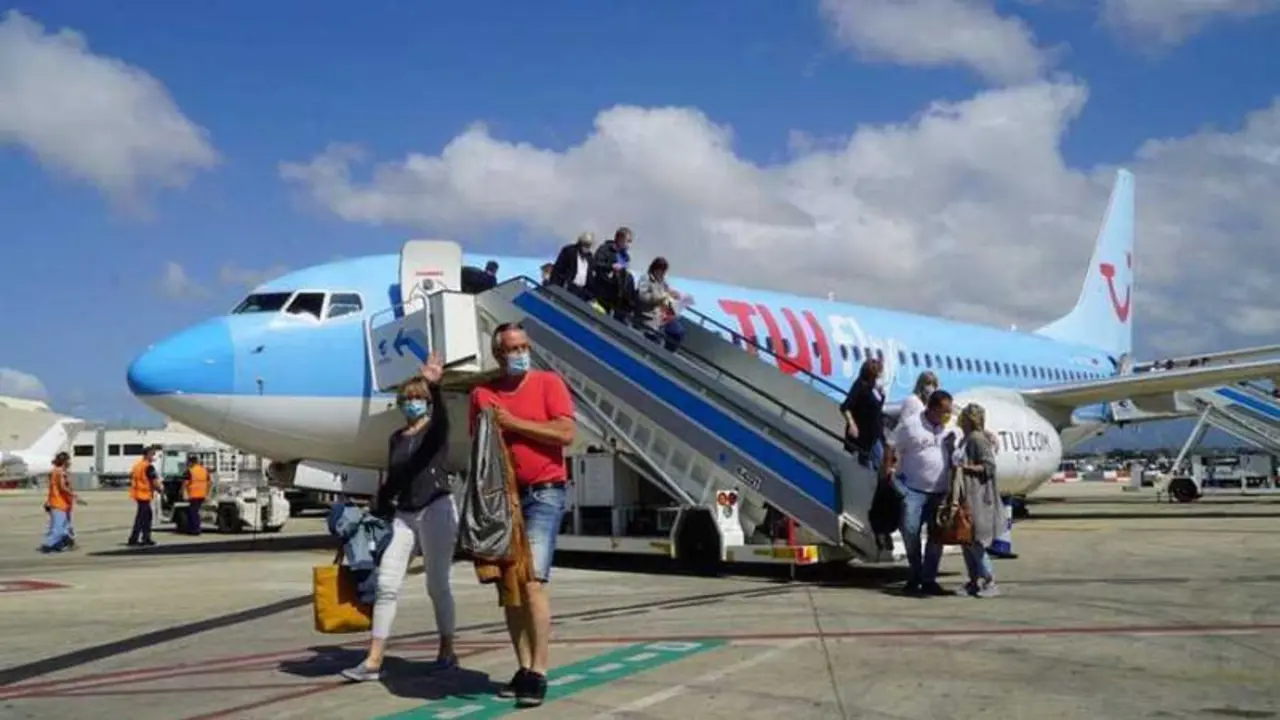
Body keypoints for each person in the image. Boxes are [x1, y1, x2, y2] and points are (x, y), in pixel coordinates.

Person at [469, 323, 575, 708]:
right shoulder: (483, 394)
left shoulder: (549, 383)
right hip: (503, 499)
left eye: (524, 347)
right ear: (498, 354)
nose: (520, 354)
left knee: (531, 582)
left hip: (544, 492)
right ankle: (524, 665)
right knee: (509, 587)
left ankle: (540, 671)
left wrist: (514, 424)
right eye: (512, 348)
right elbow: (480, 447)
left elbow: (565, 433)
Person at [343, 353, 460, 683]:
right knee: (386, 584)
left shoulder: (434, 432)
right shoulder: (397, 438)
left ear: (427, 402)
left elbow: (442, 422)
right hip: (405, 514)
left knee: (437, 584)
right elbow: (395, 477)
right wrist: (377, 504)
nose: (412, 404)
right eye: (406, 399)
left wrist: (436, 387)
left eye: (418, 398)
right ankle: (374, 659)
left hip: (436, 508)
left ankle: (447, 650)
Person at [887, 389, 958, 596]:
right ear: (932, 409)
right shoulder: (910, 425)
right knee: (910, 530)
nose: (947, 415)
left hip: (940, 491)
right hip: (913, 490)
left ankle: (928, 579)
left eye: (949, 411)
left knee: (936, 536)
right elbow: (891, 445)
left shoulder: (949, 427)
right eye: (944, 411)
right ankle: (915, 571)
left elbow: (966, 437)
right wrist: (887, 471)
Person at [954, 403, 1003, 598]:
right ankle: (973, 580)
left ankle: (989, 580)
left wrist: (966, 468)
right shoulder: (965, 439)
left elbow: (989, 466)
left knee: (974, 541)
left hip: (977, 496)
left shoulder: (976, 439)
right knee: (966, 539)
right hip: (964, 494)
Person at [840, 358, 886, 472]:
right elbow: (845, 407)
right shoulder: (860, 386)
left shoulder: (875, 388)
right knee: (867, 467)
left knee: (879, 464)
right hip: (862, 436)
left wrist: (881, 395)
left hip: (875, 435)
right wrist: (852, 424)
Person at [634, 257, 686, 351]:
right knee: (655, 337)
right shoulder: (645, 279)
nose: (663, 274)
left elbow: (667, 291)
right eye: (661, 271)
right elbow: (642, 297)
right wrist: (662, 297)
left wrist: (673, 294)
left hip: (662, 314)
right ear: (655, 269)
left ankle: (669, 352)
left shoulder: (662, 281)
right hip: (648, 314)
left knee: (678, 332)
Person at [590, 226, 634, 320]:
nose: (629, 245)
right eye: (628, 241)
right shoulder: (605, 249)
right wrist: (611, 266)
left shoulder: (626, 257)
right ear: (620, 239)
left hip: (614, 299)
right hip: (600, 293)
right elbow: (596, 264)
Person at [40, 452, 78, 553]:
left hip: (61, 503)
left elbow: (53, 488)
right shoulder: (60, 472)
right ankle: (49, 545)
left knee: (65, 527)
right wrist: (73, 495)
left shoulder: (55, 471)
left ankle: (65, 543)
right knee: (58, 528)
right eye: (68, 460)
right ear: (64, 461)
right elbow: (62, 487)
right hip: (59, 503)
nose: (70, 463)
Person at [126, 446, 162, 547]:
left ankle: (143, 538)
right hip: (145, 495)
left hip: (138, 494)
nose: (153, 457)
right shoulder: (148, 467)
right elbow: (154, 481)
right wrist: (160, 489)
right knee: (143, 518)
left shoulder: (137, 465)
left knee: (143, 517)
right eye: (152, 455)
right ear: (147, 455)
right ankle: (138, 539)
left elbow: (132, 477)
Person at [549, 232, 596, 300]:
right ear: (580, 243)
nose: (586, 247)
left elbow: (590, 278)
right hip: (567, 287)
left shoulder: (590, 259)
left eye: (589, 245)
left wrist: (589, 295)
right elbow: (557, 270)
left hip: (581, 293)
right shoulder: (569, 251)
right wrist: (553, 288)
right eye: (585, 244)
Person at [183, 455, 210, 535]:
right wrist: (207, 493)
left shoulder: (190, 471)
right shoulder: (204, 470)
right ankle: (194, 528)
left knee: (193, 513)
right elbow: (209, 483)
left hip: (193, 494)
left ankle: (195, 530)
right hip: (202, 494)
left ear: (191, 462)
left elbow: (185, 483)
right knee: (196, 511)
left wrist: (184, 494)